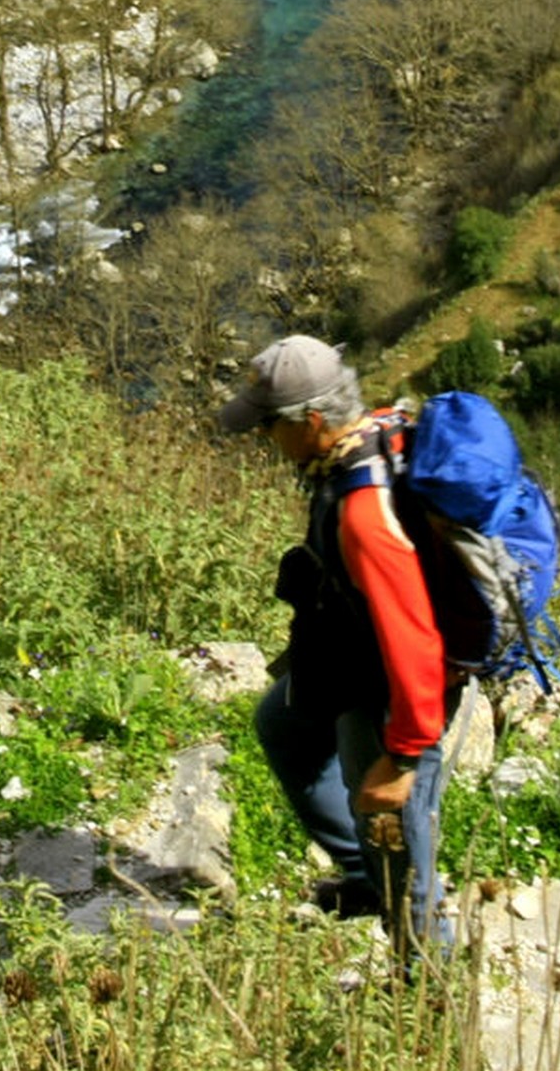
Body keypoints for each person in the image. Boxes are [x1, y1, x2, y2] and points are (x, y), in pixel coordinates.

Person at [220, 334, 455, 962]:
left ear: (313, 421)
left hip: (395, 693)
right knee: (284, 725)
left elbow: (415, 641)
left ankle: (429, 986)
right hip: (358, 658)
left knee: (394, 833)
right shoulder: (363, 438)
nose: (265, 437)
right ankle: (364, 881)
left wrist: (402, 760)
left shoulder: (364, 514)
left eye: (270, 423)